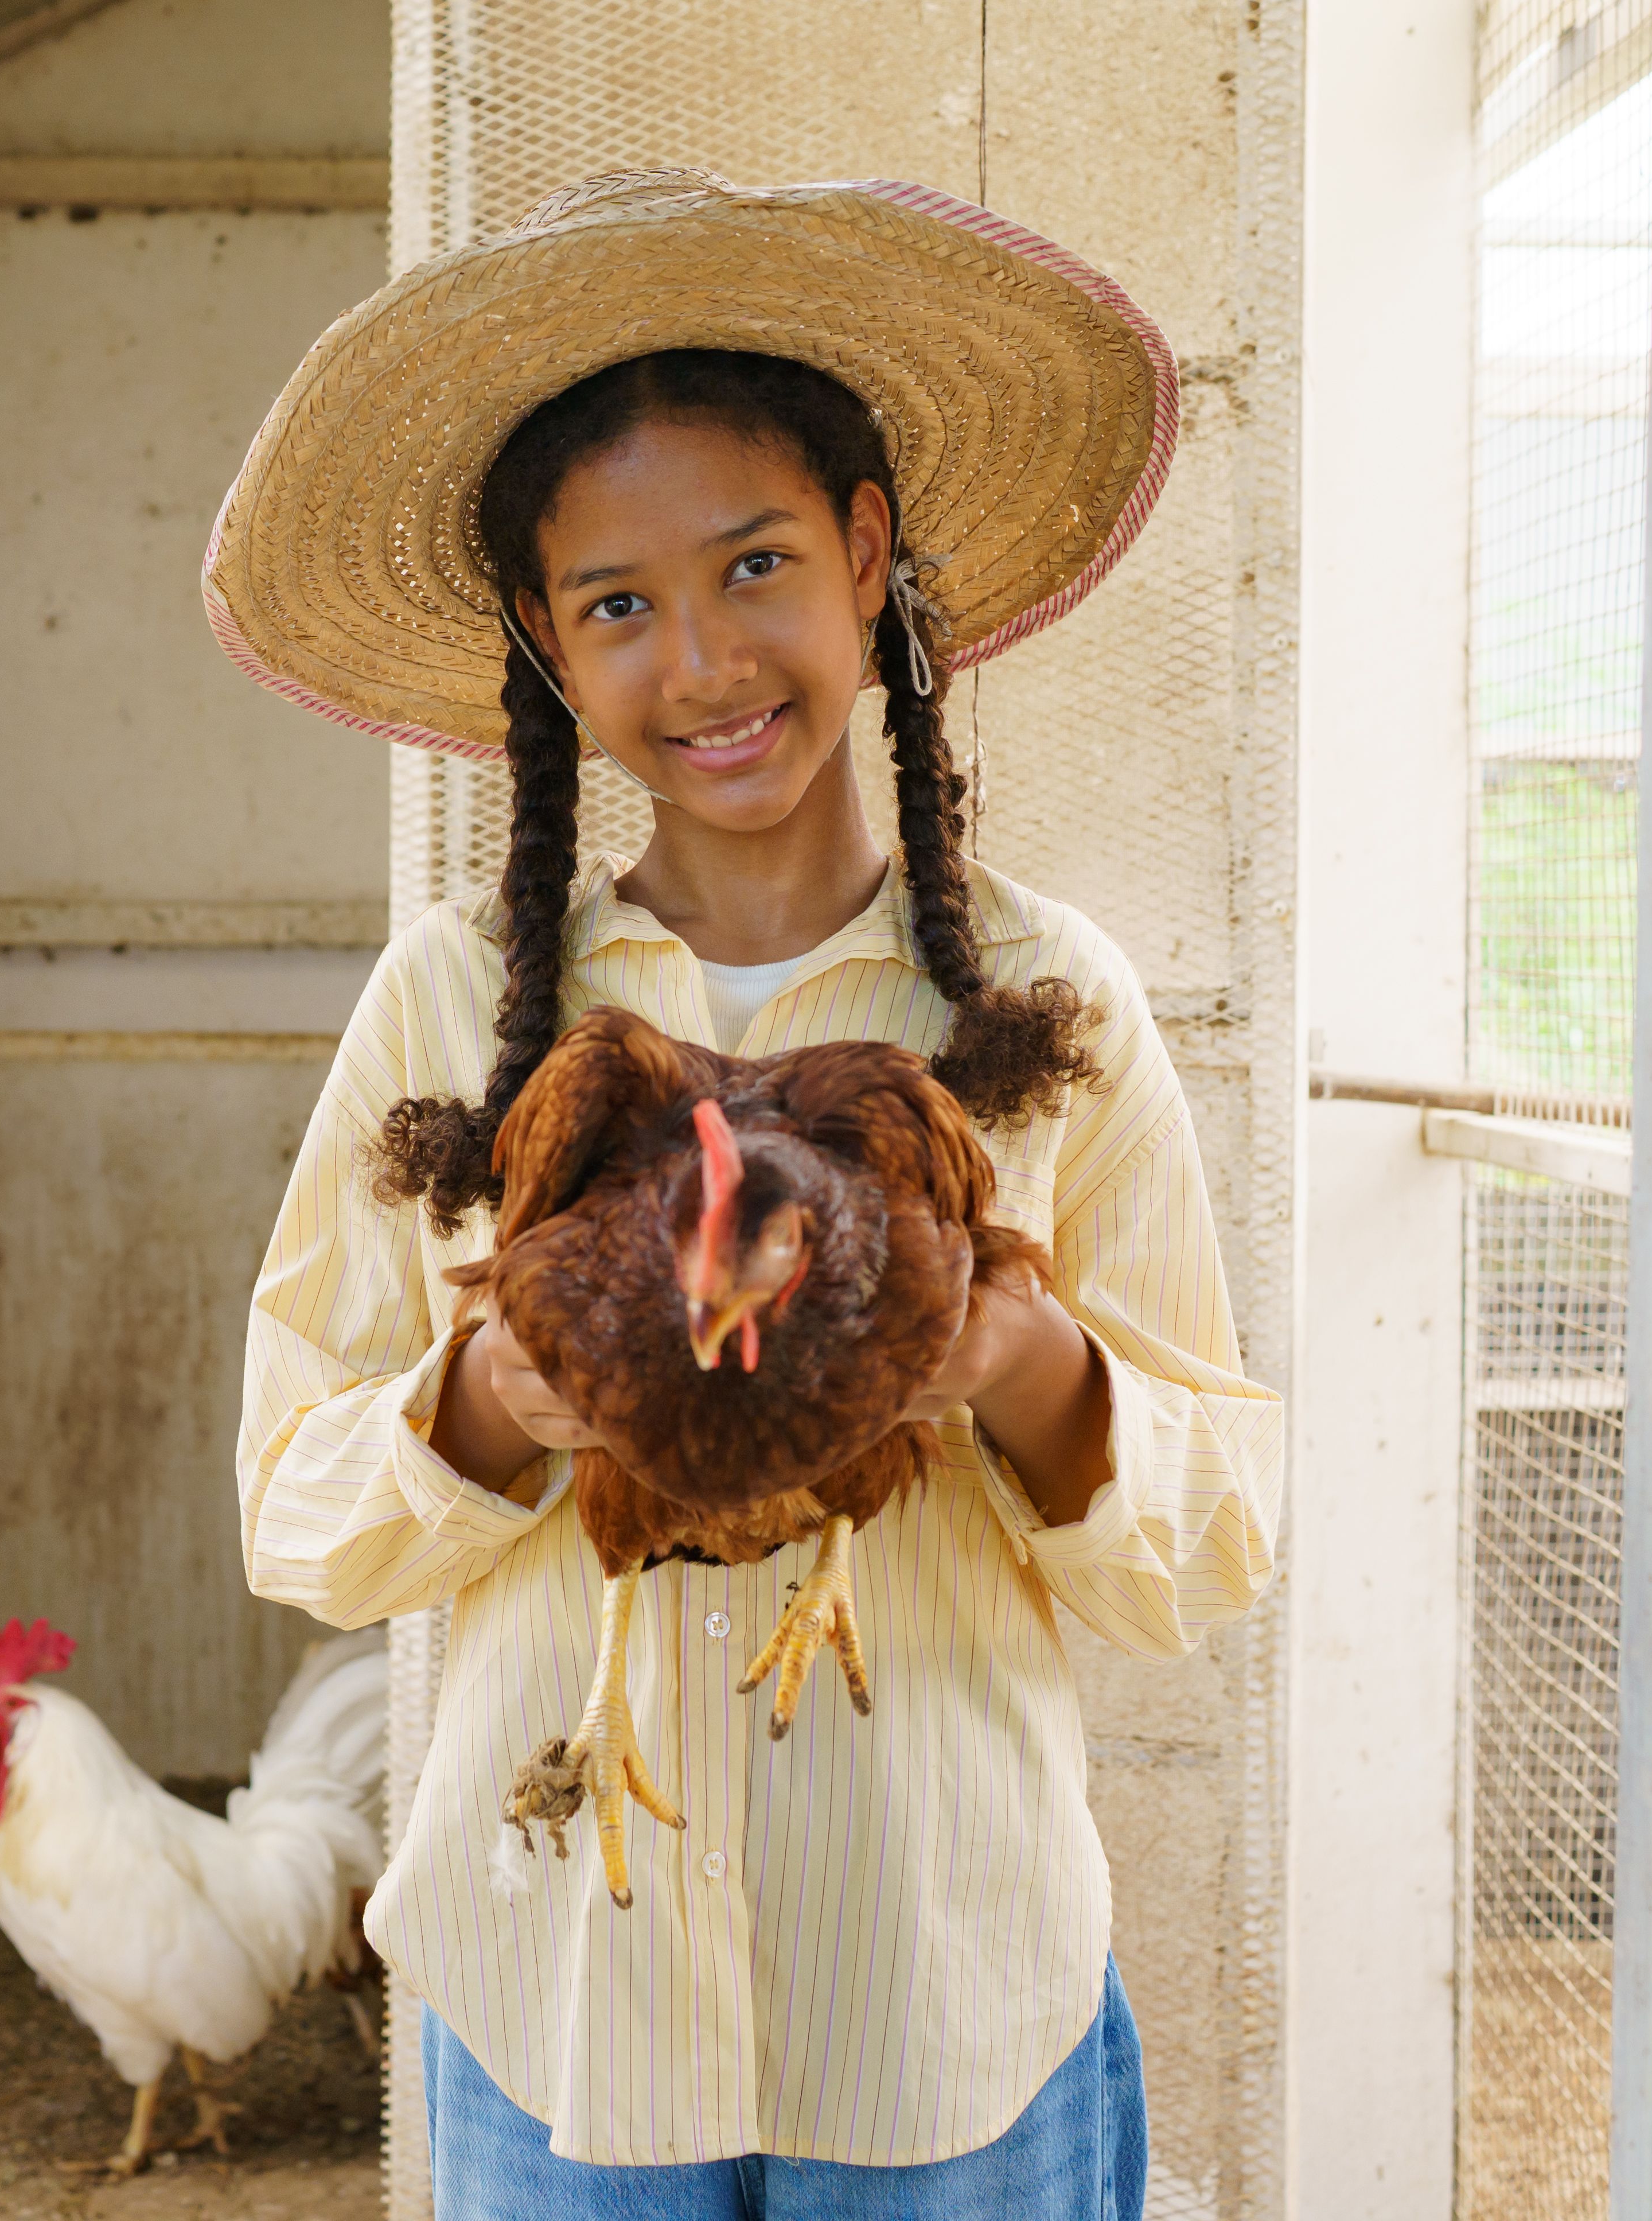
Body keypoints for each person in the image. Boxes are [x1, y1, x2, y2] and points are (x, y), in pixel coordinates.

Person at [213, 169, 1281, 2219]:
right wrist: (499, 1403)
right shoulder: (456, 1003)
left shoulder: (1045, 1013)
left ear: (868, 557)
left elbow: (1217, 1547)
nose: (702, 660)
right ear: (546, 636)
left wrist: (1032, 1366)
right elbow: (293, 1509)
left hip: (950, 1988)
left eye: (757, 565)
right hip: (564, 1996)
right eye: (617, 603)